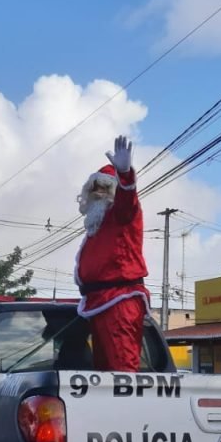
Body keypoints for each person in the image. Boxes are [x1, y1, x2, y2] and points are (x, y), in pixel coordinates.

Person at [75, 135, 150, 371]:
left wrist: (125, 175)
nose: (99, 192)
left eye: (106, 187)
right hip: (100, 303)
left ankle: (125, 409)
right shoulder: (96, 225)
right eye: (95, 187)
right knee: (105, 375)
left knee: (122, 374)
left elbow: (128, 202)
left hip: (120, 301)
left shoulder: (122, 216)